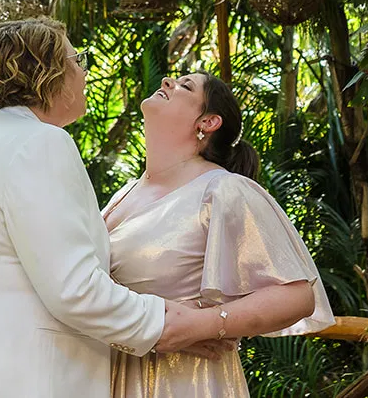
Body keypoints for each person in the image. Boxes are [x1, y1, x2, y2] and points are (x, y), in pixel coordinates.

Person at [0, 19, 226, 398]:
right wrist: (168, 326)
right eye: (78, 60)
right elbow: (74, 289)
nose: (85, 72)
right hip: (6, 378)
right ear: (48, 72)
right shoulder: (39, 143)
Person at [104, 71, 335, 397]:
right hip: (107, 373)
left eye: (185, 85)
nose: (167, 81)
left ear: (208, 122)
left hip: (183, 380)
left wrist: (204, 324)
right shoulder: (124, 193)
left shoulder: (225, 191)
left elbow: (297, 295)